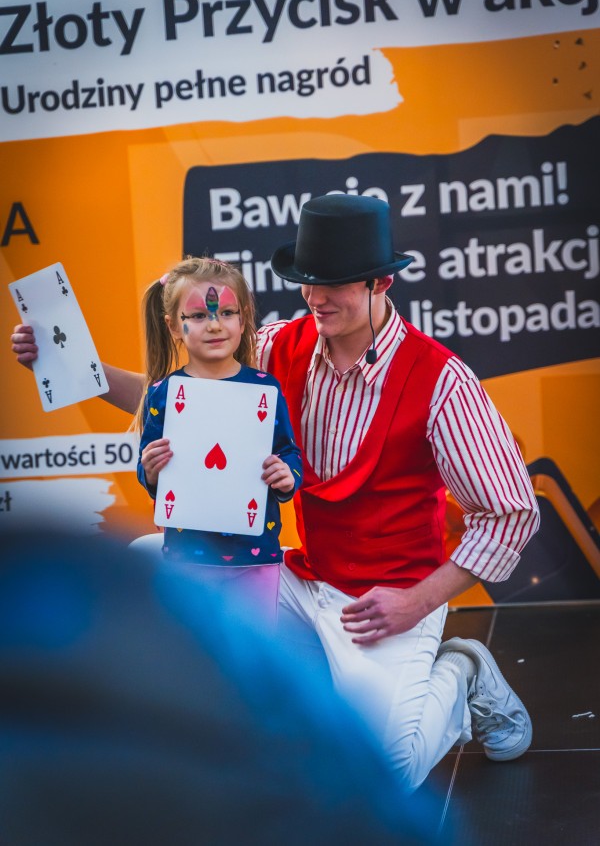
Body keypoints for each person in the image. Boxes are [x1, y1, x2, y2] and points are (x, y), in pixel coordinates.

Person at [10, 193, 540, 792]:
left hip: (386, 599)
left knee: (380, 777)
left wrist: (417, 602)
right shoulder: (278, 344)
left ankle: (464, 671)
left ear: (381, 283)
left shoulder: (442, 380)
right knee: (148, 562)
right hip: (299, 579)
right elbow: (182, 403)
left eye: (334, 283)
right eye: (308, 280)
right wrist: (75, 367)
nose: (315, 296)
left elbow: (510, 513)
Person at [0, 529, 440, 846]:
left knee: (391, 768)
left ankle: (461, 670)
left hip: (357, 584)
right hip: (288, 577)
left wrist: (418, 601)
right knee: (146, 552)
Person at [135, 256, 302, 628]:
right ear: (173, 327)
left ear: (244, 319)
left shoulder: (265, 388)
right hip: (187, 560)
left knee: (253, 655)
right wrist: (150, 471)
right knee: (196, 654)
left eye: (226, 312)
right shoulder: (162, 393)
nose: (214, 324)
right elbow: (148, 474)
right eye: (198, 316)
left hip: (256, 558)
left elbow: (288, 451)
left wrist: (286, 475)